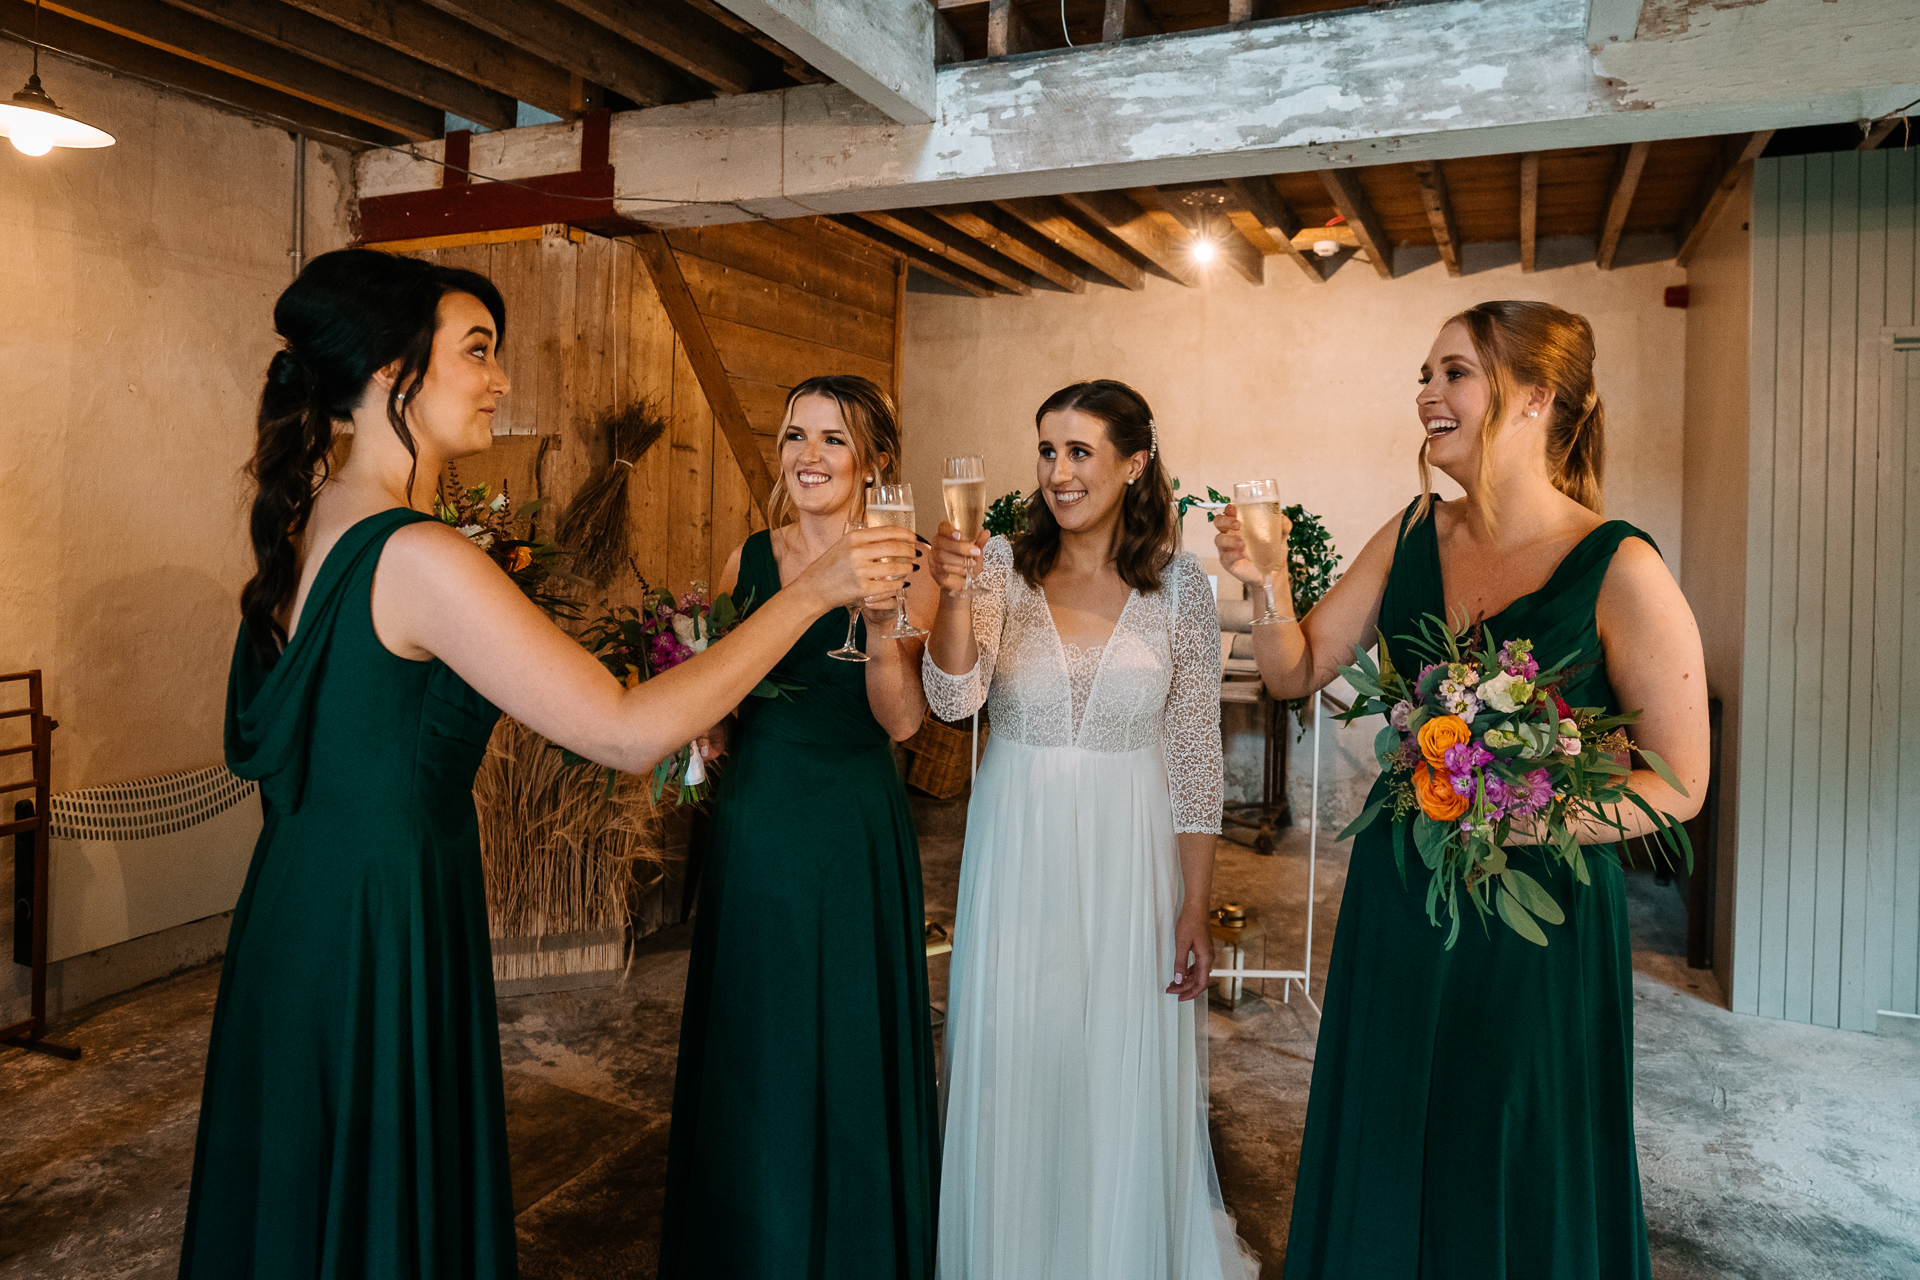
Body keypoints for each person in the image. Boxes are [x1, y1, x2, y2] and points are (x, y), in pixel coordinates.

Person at [180, 249, 917, 1279]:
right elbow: (623, 730)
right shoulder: (424, 556)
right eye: (478, 350)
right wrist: (808, 594)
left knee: (314, 1197)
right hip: (381, 915)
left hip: (298, 908)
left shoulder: (309, 524)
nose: (501, 378)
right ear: (397, 372)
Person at [1213, 301, 1708, 1279]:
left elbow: (1680, 784)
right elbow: (1294, 669)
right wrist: (1268, 580)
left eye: (1454, 374)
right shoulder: (1409, 534)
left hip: (1540, 918)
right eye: (1424, 376)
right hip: (1405, 893)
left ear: (1534, 398)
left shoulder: (1623, 568)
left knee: (1512, 1137)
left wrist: (1527, 813)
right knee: (1397, 1119)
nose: (1426, 395)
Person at [925, 380, 1248, 1280]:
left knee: (1115, 1064)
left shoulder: (1182, 586)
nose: (1059, 473)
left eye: (1080, 452)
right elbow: (953, 701)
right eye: (1046, 451)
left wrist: (1195, 902)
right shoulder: (998, 565)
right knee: (1022, 1053)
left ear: (1134, 463)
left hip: (1129, 851)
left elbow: (1193, 755)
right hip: (1016, 846)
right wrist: (952, 596)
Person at [659, 375, 941, 1278]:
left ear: (873, 462)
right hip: (755, 814)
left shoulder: (913, 560)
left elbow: (902, 723)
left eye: (832, 438)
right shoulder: (752, 555)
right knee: (755, 1020)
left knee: (840, 1025)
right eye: (795, 435)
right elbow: (729, 688)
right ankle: (751, 1232)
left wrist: (886, 616)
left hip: (848, 819)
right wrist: (704, 713)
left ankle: (845, 1235)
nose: (808, 456)